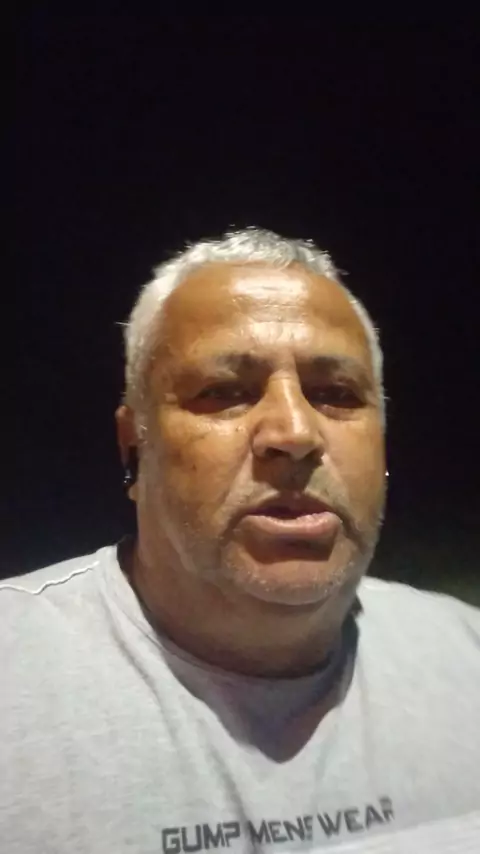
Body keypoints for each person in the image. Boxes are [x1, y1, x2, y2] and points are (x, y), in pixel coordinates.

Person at [2, 228, 479, 853]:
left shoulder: (466, 658)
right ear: (134, 449)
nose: (295, 432)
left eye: (336, 395)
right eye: (224, 392)